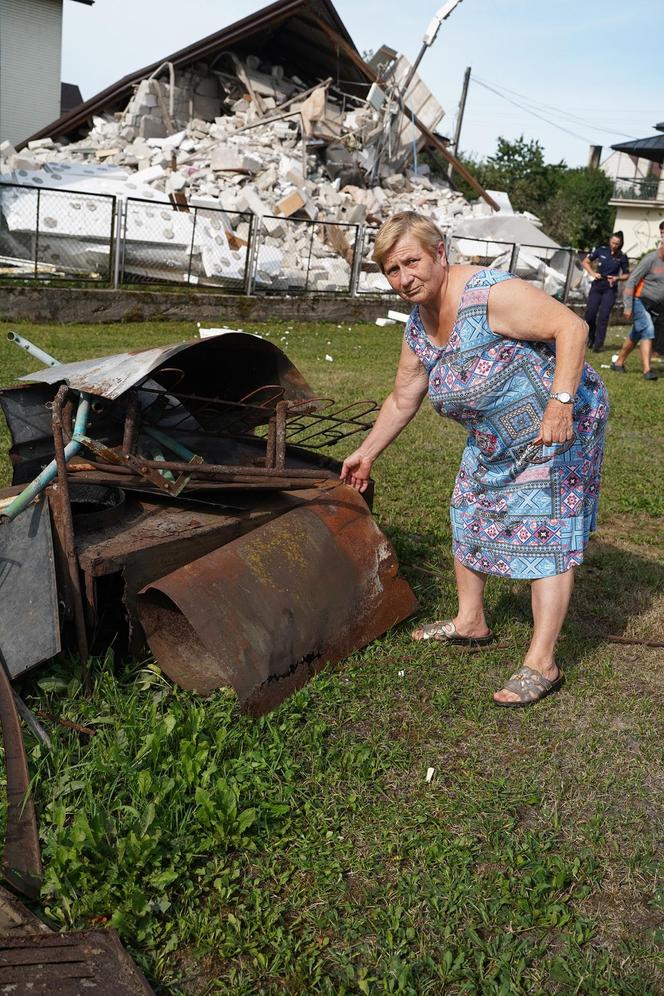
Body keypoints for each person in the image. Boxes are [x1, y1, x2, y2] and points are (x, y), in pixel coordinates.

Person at [340, 212, 609, 708]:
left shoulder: (490, 295)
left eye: (412, 262)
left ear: (440, 252)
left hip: (559, 422)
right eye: (392, 271)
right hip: (494, 436)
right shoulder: (419, 327)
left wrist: (560, 404)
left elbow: (572, 328)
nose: (405, 279)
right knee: (468, 508)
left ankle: (542, 662)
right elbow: (403, 397)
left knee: (545, 527)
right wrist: (365, 453)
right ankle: (471, 622)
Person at [611, 235, 664, 380]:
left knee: (637, 334)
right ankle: (647, 371)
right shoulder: (650, 260)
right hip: (639, 301)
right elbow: (631, 281)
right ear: (662, 245)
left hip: (656, 306)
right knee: (648, 330)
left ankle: (619, 362)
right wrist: (628, 306)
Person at [581, 231, 629, 352]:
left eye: (617, 243)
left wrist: (617, 278)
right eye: (612, 242)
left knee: (603, 316)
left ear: (620, 244)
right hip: (597, 284)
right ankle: (591, 336)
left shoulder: (622, 257)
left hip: (610, 288)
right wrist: (592, 273)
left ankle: (598, 344)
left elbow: (627, 274)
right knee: (590, 314)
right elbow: (585, 262)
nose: (614, 245)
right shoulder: (601, 250)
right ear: (609, 241)